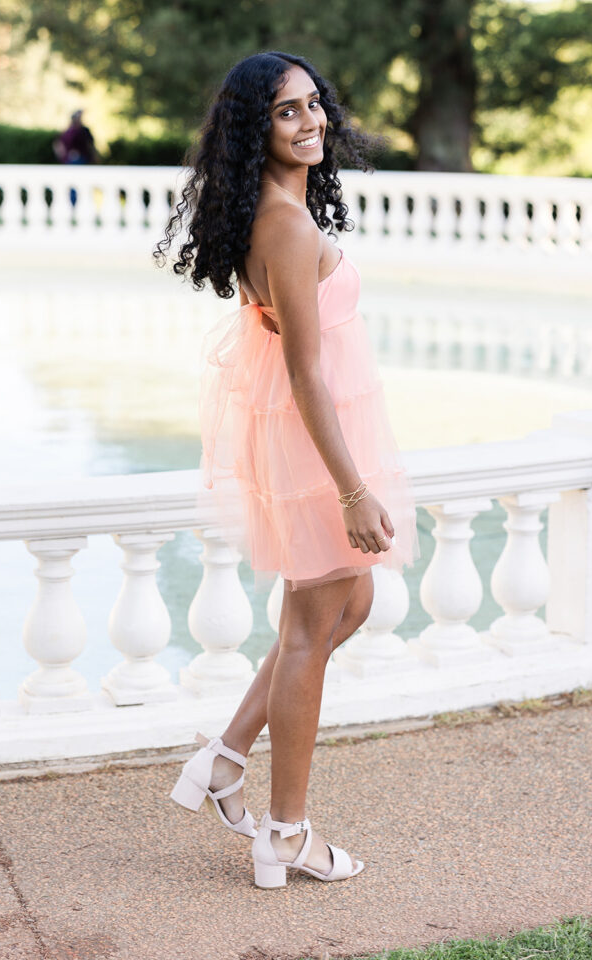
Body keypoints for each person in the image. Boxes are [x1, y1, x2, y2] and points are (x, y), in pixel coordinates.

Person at [154, 51, 420, 889]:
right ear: (252, 129)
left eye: (314, 106)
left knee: (354, 599)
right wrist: (350, 488)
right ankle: (285, 833)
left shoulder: (268, 212)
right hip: (320, 448)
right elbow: (306, 371)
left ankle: (225, 757)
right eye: (285, 113)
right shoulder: (288, 226)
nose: (309, 123)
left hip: (314, 436)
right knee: (310, 629)